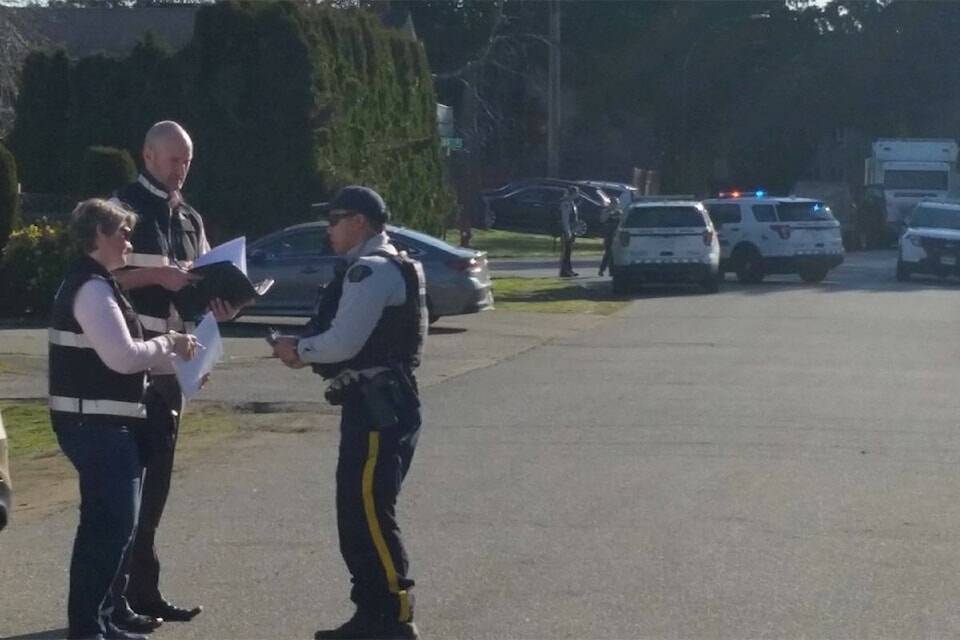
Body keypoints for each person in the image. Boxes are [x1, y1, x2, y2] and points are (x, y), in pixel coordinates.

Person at [272, 186, 426, 640]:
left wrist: (298, 350)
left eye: (335, 219)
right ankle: (371, 613)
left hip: (378, 406)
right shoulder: (389, 265)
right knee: (356, 511)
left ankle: (394, 615)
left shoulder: (371, 271)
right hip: (380, 402)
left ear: (359, 222)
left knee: (369, 511)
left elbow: (343, 343)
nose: (329, 228)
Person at [49, 199, 200, 640]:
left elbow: (127, 357)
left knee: (109, 527)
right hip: (95, 426)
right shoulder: (92, 288)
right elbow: (122, 357)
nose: (129, 240)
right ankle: (89, 626)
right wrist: (169, 342)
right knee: (110, 527)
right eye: (122, 232)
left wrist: (180, 364)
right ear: (97, 235)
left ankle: (98, 621)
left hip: (101, 424)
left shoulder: (99, 283)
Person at [110, 120, 236, 625]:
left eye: (187, 160)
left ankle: (144, 594)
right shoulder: (121, 208)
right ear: (147, 156)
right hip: (128, 364)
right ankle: (112, 601)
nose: (180, 169)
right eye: (172, 159)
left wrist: (222, 307)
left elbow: (200, 285)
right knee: (127, 489)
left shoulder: (188, 216)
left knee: (156, 487)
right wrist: (157, 275)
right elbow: (101, 274)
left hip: (173, 367)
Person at [558, 186, 579, 277]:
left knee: (569, 251)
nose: (577, 195)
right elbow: (565, 219)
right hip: (567, 230)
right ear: (573, 193)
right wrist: (568, 232)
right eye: (576, 193)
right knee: (565, 251)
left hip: (572, 229)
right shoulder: (566, 203)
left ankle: (569, 269)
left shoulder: (571, 203)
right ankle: (564, 270)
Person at [598, 205, 620, 277]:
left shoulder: (619, 212)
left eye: (616, 203)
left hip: (616, 235)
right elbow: (602, 220)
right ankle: (602, 269)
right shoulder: (606, 211)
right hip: (608, 235)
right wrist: (609, 213)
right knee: (608, 253)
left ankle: (612, 271)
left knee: (614, 254)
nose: (615, 204)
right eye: (614, 203)